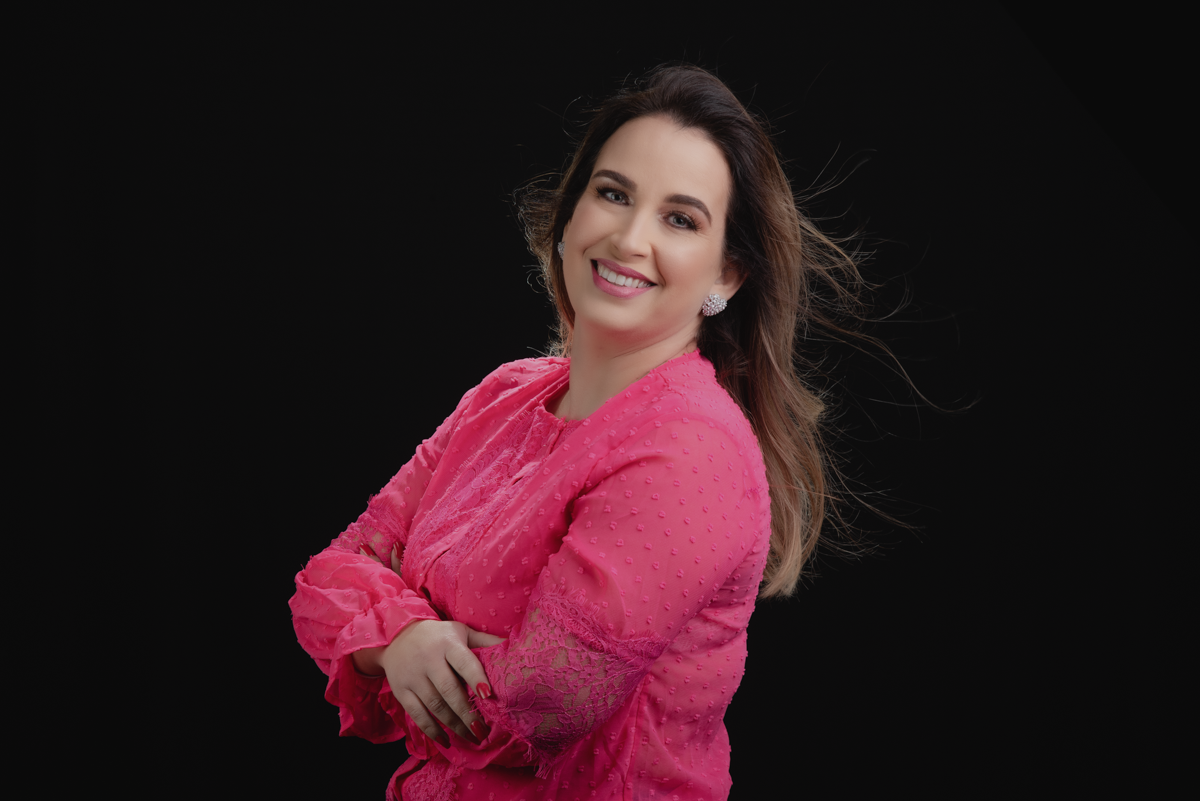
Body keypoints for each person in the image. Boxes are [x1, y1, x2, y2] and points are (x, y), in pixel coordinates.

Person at [290, 64, 868, 800]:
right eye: (614, 194)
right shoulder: (504, 394)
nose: (629, 238)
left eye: (680, 219)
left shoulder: (693, 451)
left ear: (727, 274)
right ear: (570, 216)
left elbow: (531, 709)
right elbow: (330, 572)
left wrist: (379, 630)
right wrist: (403, 637)